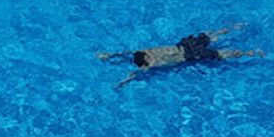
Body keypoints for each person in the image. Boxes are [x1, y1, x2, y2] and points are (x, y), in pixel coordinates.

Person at [99, 24, 261, 88]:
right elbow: (128, 54)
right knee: (212, 35)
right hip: (185, 45)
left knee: (221, 55)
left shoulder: (150, 64)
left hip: (191, 55)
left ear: (145, 62)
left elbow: (135, 74)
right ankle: (236, 27)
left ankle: (250, 53)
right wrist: (110, 55)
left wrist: (122, 82)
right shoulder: (146, 50)